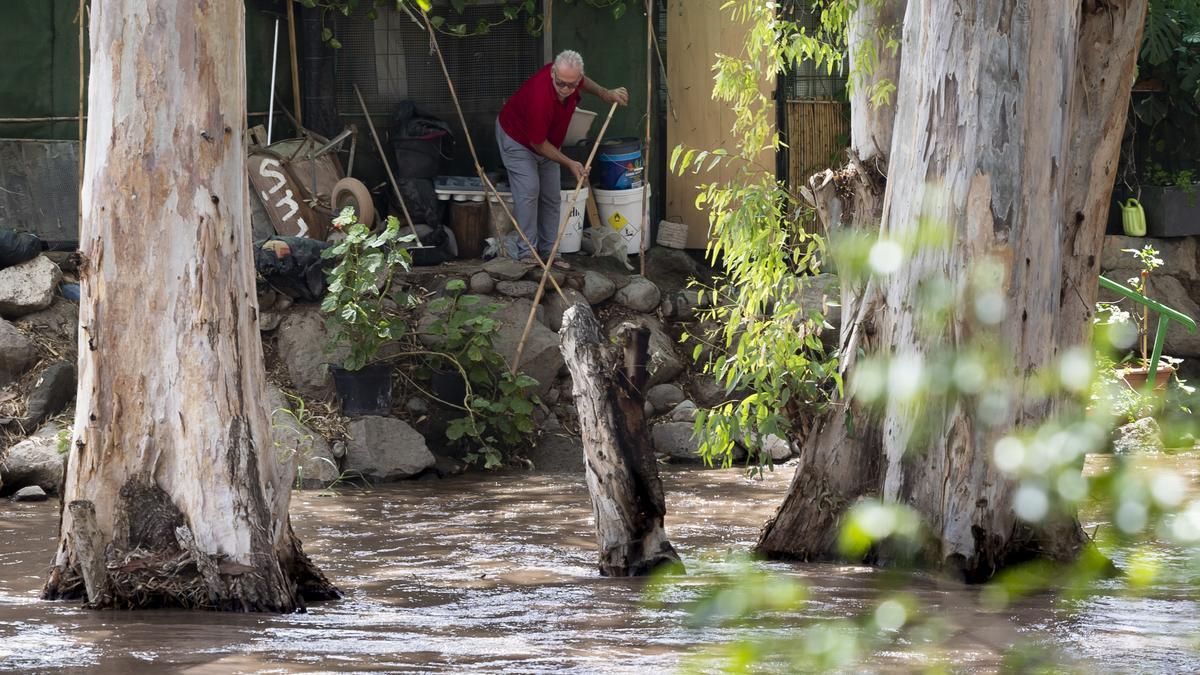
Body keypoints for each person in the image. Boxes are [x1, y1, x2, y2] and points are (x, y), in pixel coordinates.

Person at [496, 50, 628, 267]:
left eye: (571, 85)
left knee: (552, 196)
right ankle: (527, 253)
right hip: (518, 139)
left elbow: (584, 82)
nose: (566, 89)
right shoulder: (540, 96)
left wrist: (605, 93)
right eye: (561, 84)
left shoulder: (572, 79)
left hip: (549, 142)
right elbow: (537, 143)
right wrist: (569, 162)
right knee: (529, 190)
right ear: (553, 73)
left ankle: (550, 253)